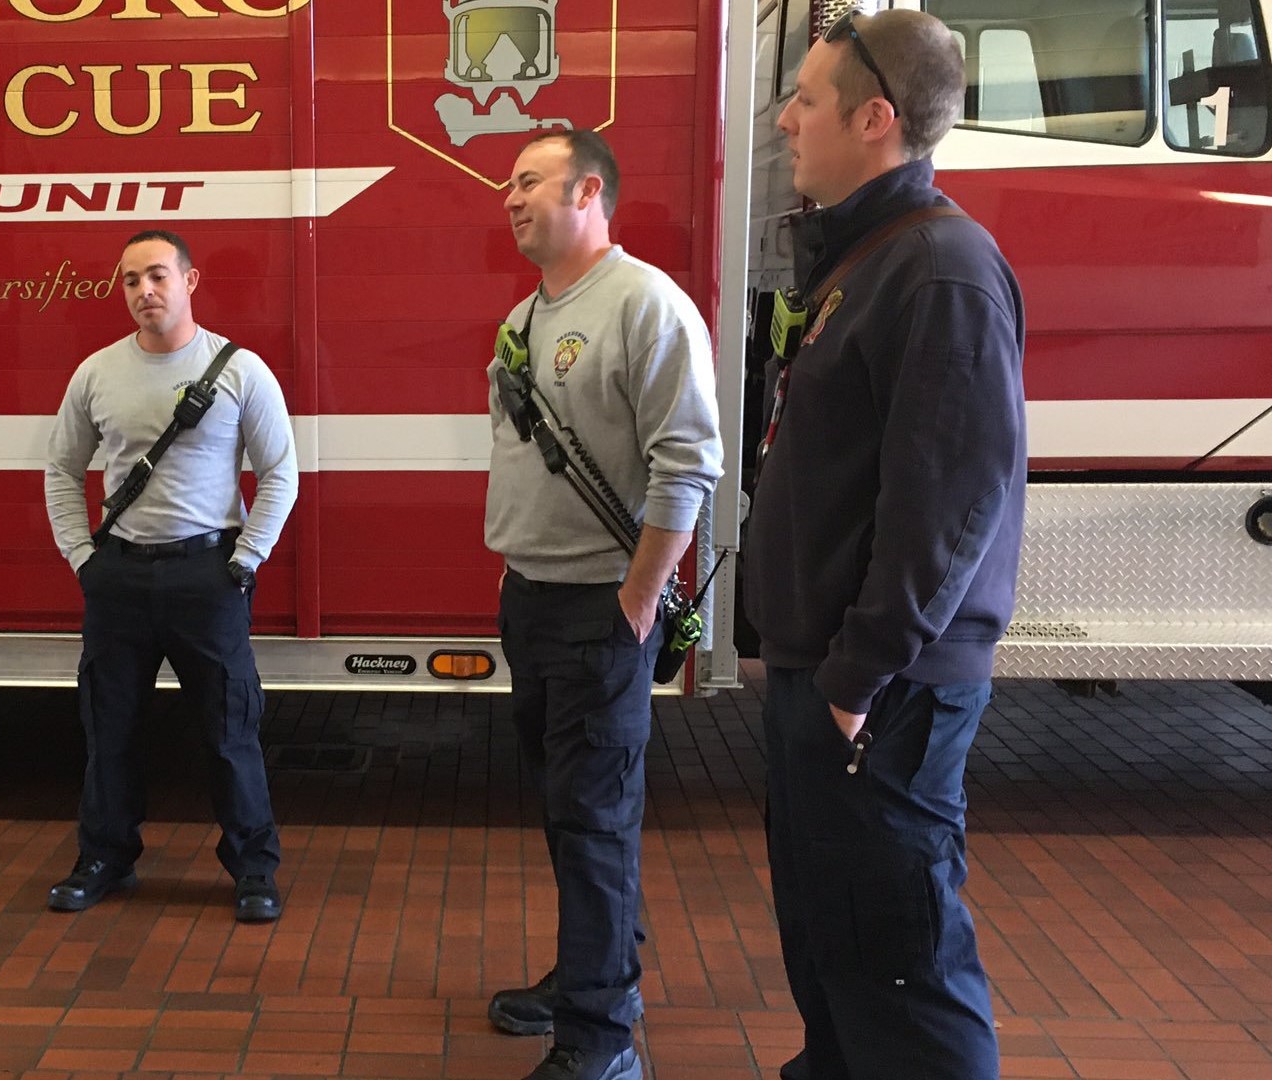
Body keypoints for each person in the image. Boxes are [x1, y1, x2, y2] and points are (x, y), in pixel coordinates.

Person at [745, 10, 1025, 1079]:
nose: (784, 119)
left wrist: (860, 674)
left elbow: (948, 502)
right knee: (833, 942)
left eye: (806, 100)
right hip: (836, 680)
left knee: (900, 961)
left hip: (879, 693)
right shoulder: (870, 258)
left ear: (876, 119)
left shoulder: (940, 270)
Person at [485, 130, 723, 1080]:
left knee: (592, 820)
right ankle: (590, 974)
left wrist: (637, 598)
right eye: (508, 183)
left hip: (600, 611)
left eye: (529, 180)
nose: (509, 196)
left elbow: (689, 461)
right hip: (534, 603)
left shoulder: (644, 303)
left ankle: (599, 1043)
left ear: (589, 191)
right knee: (567, 812)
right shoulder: (525, 318)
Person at [42, 229, 298, 923]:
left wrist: (243, 562)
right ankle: (104, 860)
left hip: (206, 576)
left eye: (156, 275)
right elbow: (62, 470)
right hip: (119, 578)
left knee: (228, 730)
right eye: (129, 280)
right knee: (109, 728)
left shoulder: (241, 370)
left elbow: (280, 473)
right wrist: (83, 559)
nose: (143, 291)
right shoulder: (97, 373)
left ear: (191, 280)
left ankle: (253, 870)